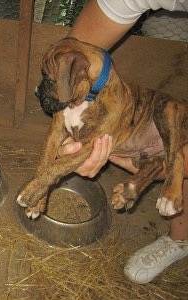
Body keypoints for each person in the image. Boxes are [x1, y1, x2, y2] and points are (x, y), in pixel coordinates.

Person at [57, 0, 188, 284]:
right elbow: (72, 54)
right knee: (163, 147)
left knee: (174, 140)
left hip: (166, 125)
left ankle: (168, 176)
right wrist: (72, 122)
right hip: (145, 130)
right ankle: (180, 238)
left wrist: (175, 162)